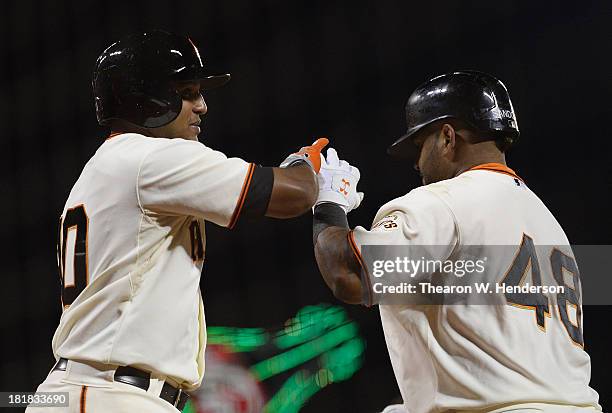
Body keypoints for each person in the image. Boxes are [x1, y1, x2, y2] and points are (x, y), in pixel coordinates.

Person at [27, 30, 329, 413]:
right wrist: (309, 168)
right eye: (187, 92)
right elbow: (294, 195)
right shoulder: (149, 159)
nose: (201, 106)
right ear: (147, 98)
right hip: (111, 393)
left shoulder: (109, 166)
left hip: (99, 390)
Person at [312, 71, 601, 412]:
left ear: (448, 137)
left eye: (420, 146)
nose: (418, 163)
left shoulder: (442, 201)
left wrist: (328, 200)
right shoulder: (551, 226)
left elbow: (347, 275)